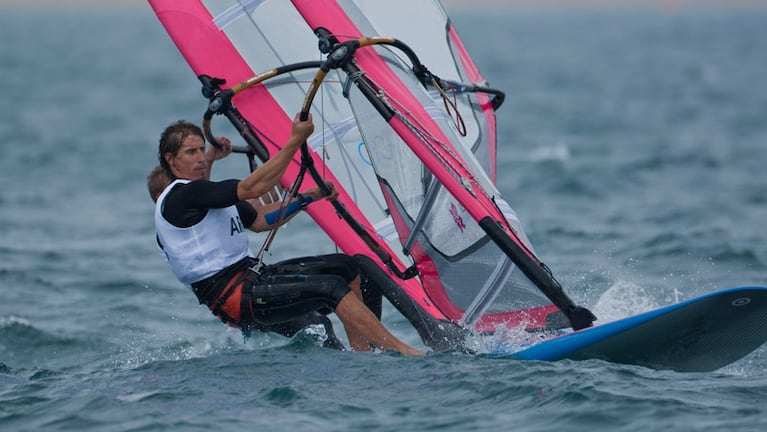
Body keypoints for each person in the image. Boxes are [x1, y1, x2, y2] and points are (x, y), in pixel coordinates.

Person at [153, 114, 424, 355]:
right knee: (331, 289)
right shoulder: (182, 194)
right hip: (234, 296)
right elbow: (252, 188)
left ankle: (363, 355)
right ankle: (403, 351)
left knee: (349, 267)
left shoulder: (203, 197)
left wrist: (309, 197)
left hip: (253, 277)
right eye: (191, 152)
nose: (200, 158)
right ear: (170, 158)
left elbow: (260, 220)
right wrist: (294, 141)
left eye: (202, 150)